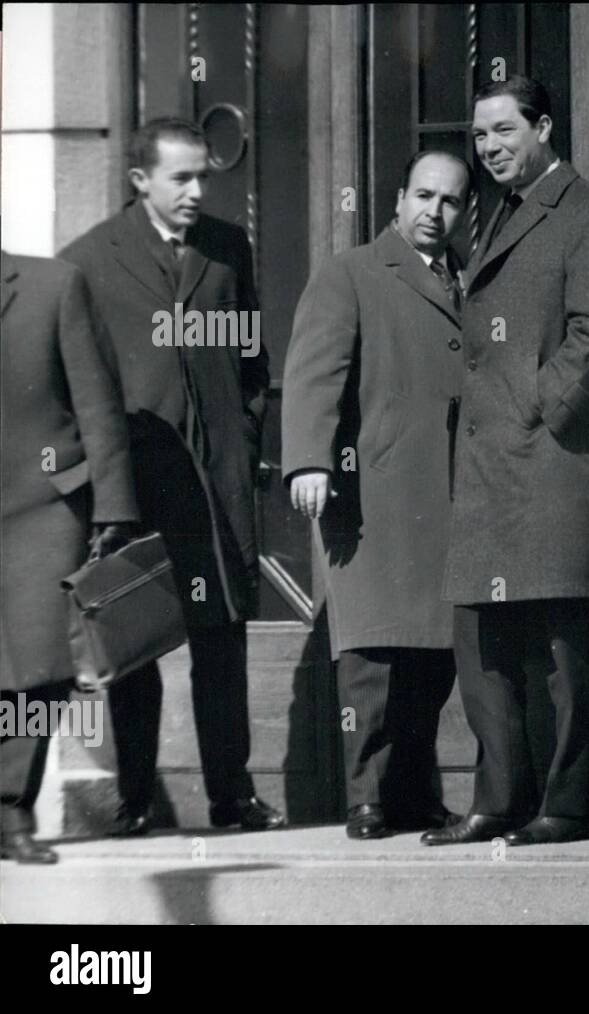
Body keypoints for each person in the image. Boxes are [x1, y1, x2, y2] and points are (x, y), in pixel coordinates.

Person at [425, 76, 589, 847]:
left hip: (555, 461)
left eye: (504, 132)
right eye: (480, 136)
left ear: (544, 128)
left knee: (564, 645)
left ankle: (574, 800)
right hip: (493, 469)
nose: (488, 149)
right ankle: (500, 798)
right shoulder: (502, 215)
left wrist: (537, 403)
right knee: (484, 639)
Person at [60, 118, 284, 835]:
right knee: (132, 646)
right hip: (139, 485)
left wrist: (243, 438)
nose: (196, 191)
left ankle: (231, 796)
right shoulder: (88, 261)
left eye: (203, 178)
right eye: (180, 178)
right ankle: (133, 802)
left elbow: (253, 359)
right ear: (140, 182)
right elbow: (72, 384)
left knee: (221, 641)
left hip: (216, 484)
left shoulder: (227, 248)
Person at [281, 151, 471, 840]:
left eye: (450, 202)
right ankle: (366, 796)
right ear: (397, 198)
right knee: (371, 657)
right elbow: (313, 373)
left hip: (449, 496)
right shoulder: (351, 272)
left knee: (432, 657)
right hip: (376, 494)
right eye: (423, 195)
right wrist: (309, 459)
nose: (433, 212)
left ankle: (415, 792)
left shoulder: (466, 281)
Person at [1, 251, 139, 863]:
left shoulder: (55, 283)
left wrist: (112, 506)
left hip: (44, 505)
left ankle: (9, 807)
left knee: (41, 664)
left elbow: (98, 401)